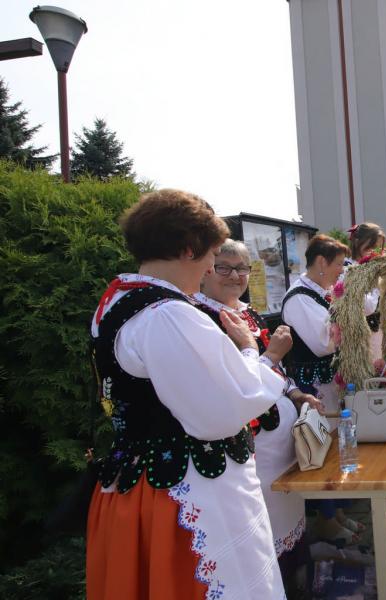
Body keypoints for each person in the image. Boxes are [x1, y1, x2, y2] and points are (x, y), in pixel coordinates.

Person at [87, 190, 289, 599]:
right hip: (188, 490)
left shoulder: (117, 300)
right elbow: (224, 408)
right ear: (188, 248)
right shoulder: (169, 315)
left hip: (140, 480)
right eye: (212, 255)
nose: (212, 267)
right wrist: (250, 350)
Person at [195, 239, 324, 576]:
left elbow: (276, 371)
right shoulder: (201, 317)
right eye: (224, 267)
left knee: (289, 513)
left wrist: (295, 394)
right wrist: (273, 354)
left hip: (281, 443)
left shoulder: (248, 312)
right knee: (263, 528)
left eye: (242, 268)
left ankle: (298, 580)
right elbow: (231, 385)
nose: (235, 276)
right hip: (250, 446)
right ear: (206, 270)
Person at [282, 235, 364, 544]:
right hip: (311, 385)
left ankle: (336, 512)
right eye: (339, 264)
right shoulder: (299, 297)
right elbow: (322, 342)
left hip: (327, 382)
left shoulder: (320, 292)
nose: (342, 271)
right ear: (321, 262)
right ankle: (325, 520)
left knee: (335, 445)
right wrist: (348, 316)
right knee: (320, 447)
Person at [346, 222, 386, 363]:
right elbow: (367, 307)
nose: (374, 252)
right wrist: (377, 283)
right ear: (358, 242)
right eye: (370, 246)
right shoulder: (348, 269)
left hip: (376, 332)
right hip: (358, 337)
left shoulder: (369, 266)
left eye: (378, 248)